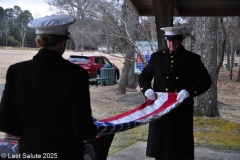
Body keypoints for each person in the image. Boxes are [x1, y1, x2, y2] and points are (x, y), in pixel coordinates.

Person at [0, 15, 97, 160]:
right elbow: (82, 130)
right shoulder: (77, 74)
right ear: (63, 43)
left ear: (38, 42)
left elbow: (5, 121)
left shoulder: (16, 71)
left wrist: (31, 134)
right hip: (66, 153)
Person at [138, 27, 212, 160]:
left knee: (179, 149)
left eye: (175, 40)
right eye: (168, 40)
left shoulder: (191, 59)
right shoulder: (156, 58)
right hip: (160, 109)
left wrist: (189, 91)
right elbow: (143, 77)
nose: (171, 44)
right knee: (160, 149)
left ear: (181, 40)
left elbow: (206, 81)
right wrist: (147, 89)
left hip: (180, 110)